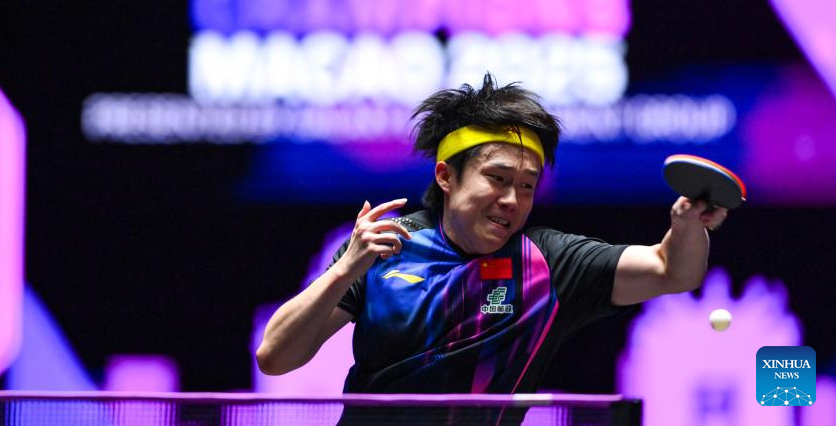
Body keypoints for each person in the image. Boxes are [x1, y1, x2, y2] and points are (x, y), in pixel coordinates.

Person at [256, 75, 727, 421]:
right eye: (498, 179)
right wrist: (344, 270)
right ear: (446, 176)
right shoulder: (387, 246)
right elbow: (275, 357)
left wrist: (687, 225)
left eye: (527, 186)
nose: (512, 200)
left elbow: (672, 270)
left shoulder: (548, 264)